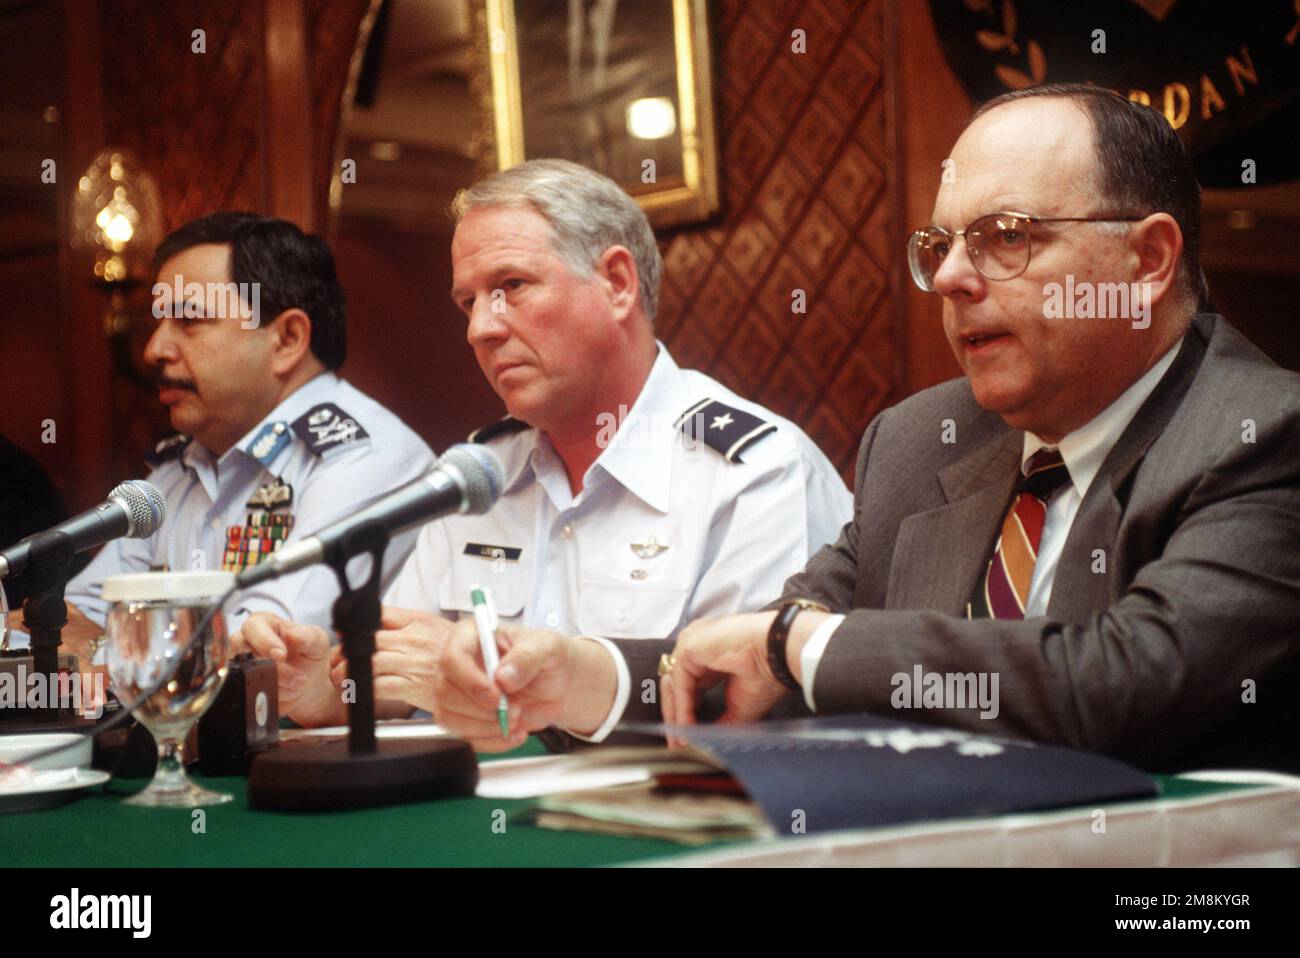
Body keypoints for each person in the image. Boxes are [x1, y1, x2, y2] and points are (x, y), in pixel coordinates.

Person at [658, 83, 1300, 774]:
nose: (950, 278)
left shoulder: (1262, 435)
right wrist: (596, 675)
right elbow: (775, 663)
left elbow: (1126, 689)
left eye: (1007, 237)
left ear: (1146, 263)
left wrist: (800, 645)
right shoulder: (919, 437)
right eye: (941, 245)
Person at [237, 159, 852, 748]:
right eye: (468, 302)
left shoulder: (753, 473)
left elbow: (738, 714)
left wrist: (491, 688)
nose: (482, 328)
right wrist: (323, 688)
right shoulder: (477, 475)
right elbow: (404, 668)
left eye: (511, 286)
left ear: (616, 283)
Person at [31, 213, 434, 670]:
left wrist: (100, 651)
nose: (154, 349)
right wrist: (90, 643)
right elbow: (69, 620)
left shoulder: (363, 458)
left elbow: (261, 660)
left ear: (287, 338)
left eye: (190, 319)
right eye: (160, 321)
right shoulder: (177, 473)